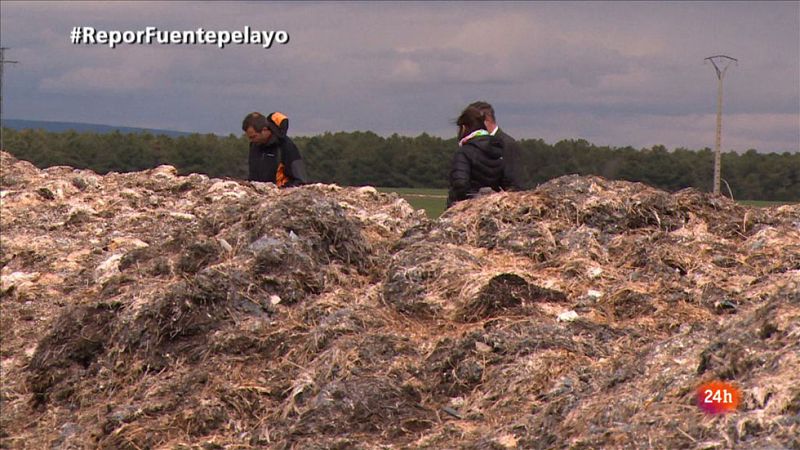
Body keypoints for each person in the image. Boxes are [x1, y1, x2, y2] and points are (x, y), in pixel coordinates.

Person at [447, 105, 515, 208]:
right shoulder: (500, 149)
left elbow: (460, 184)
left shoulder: (464, 152)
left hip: (466, 210)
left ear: (464, 127)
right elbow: (509, 182)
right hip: (494, 208)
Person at [242, 111, 308, 187]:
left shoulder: (286, 146)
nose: (251, 140)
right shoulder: (255, 146)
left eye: (253, 137)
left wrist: (281, 192)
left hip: (281, 195)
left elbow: (300, 180)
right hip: (258, 196)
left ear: (264, 130)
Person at [469, 101, 523, 190]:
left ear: (486, 121)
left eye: (472, 122)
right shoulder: (473, 145)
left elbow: (514, 181)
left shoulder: (507, 144)